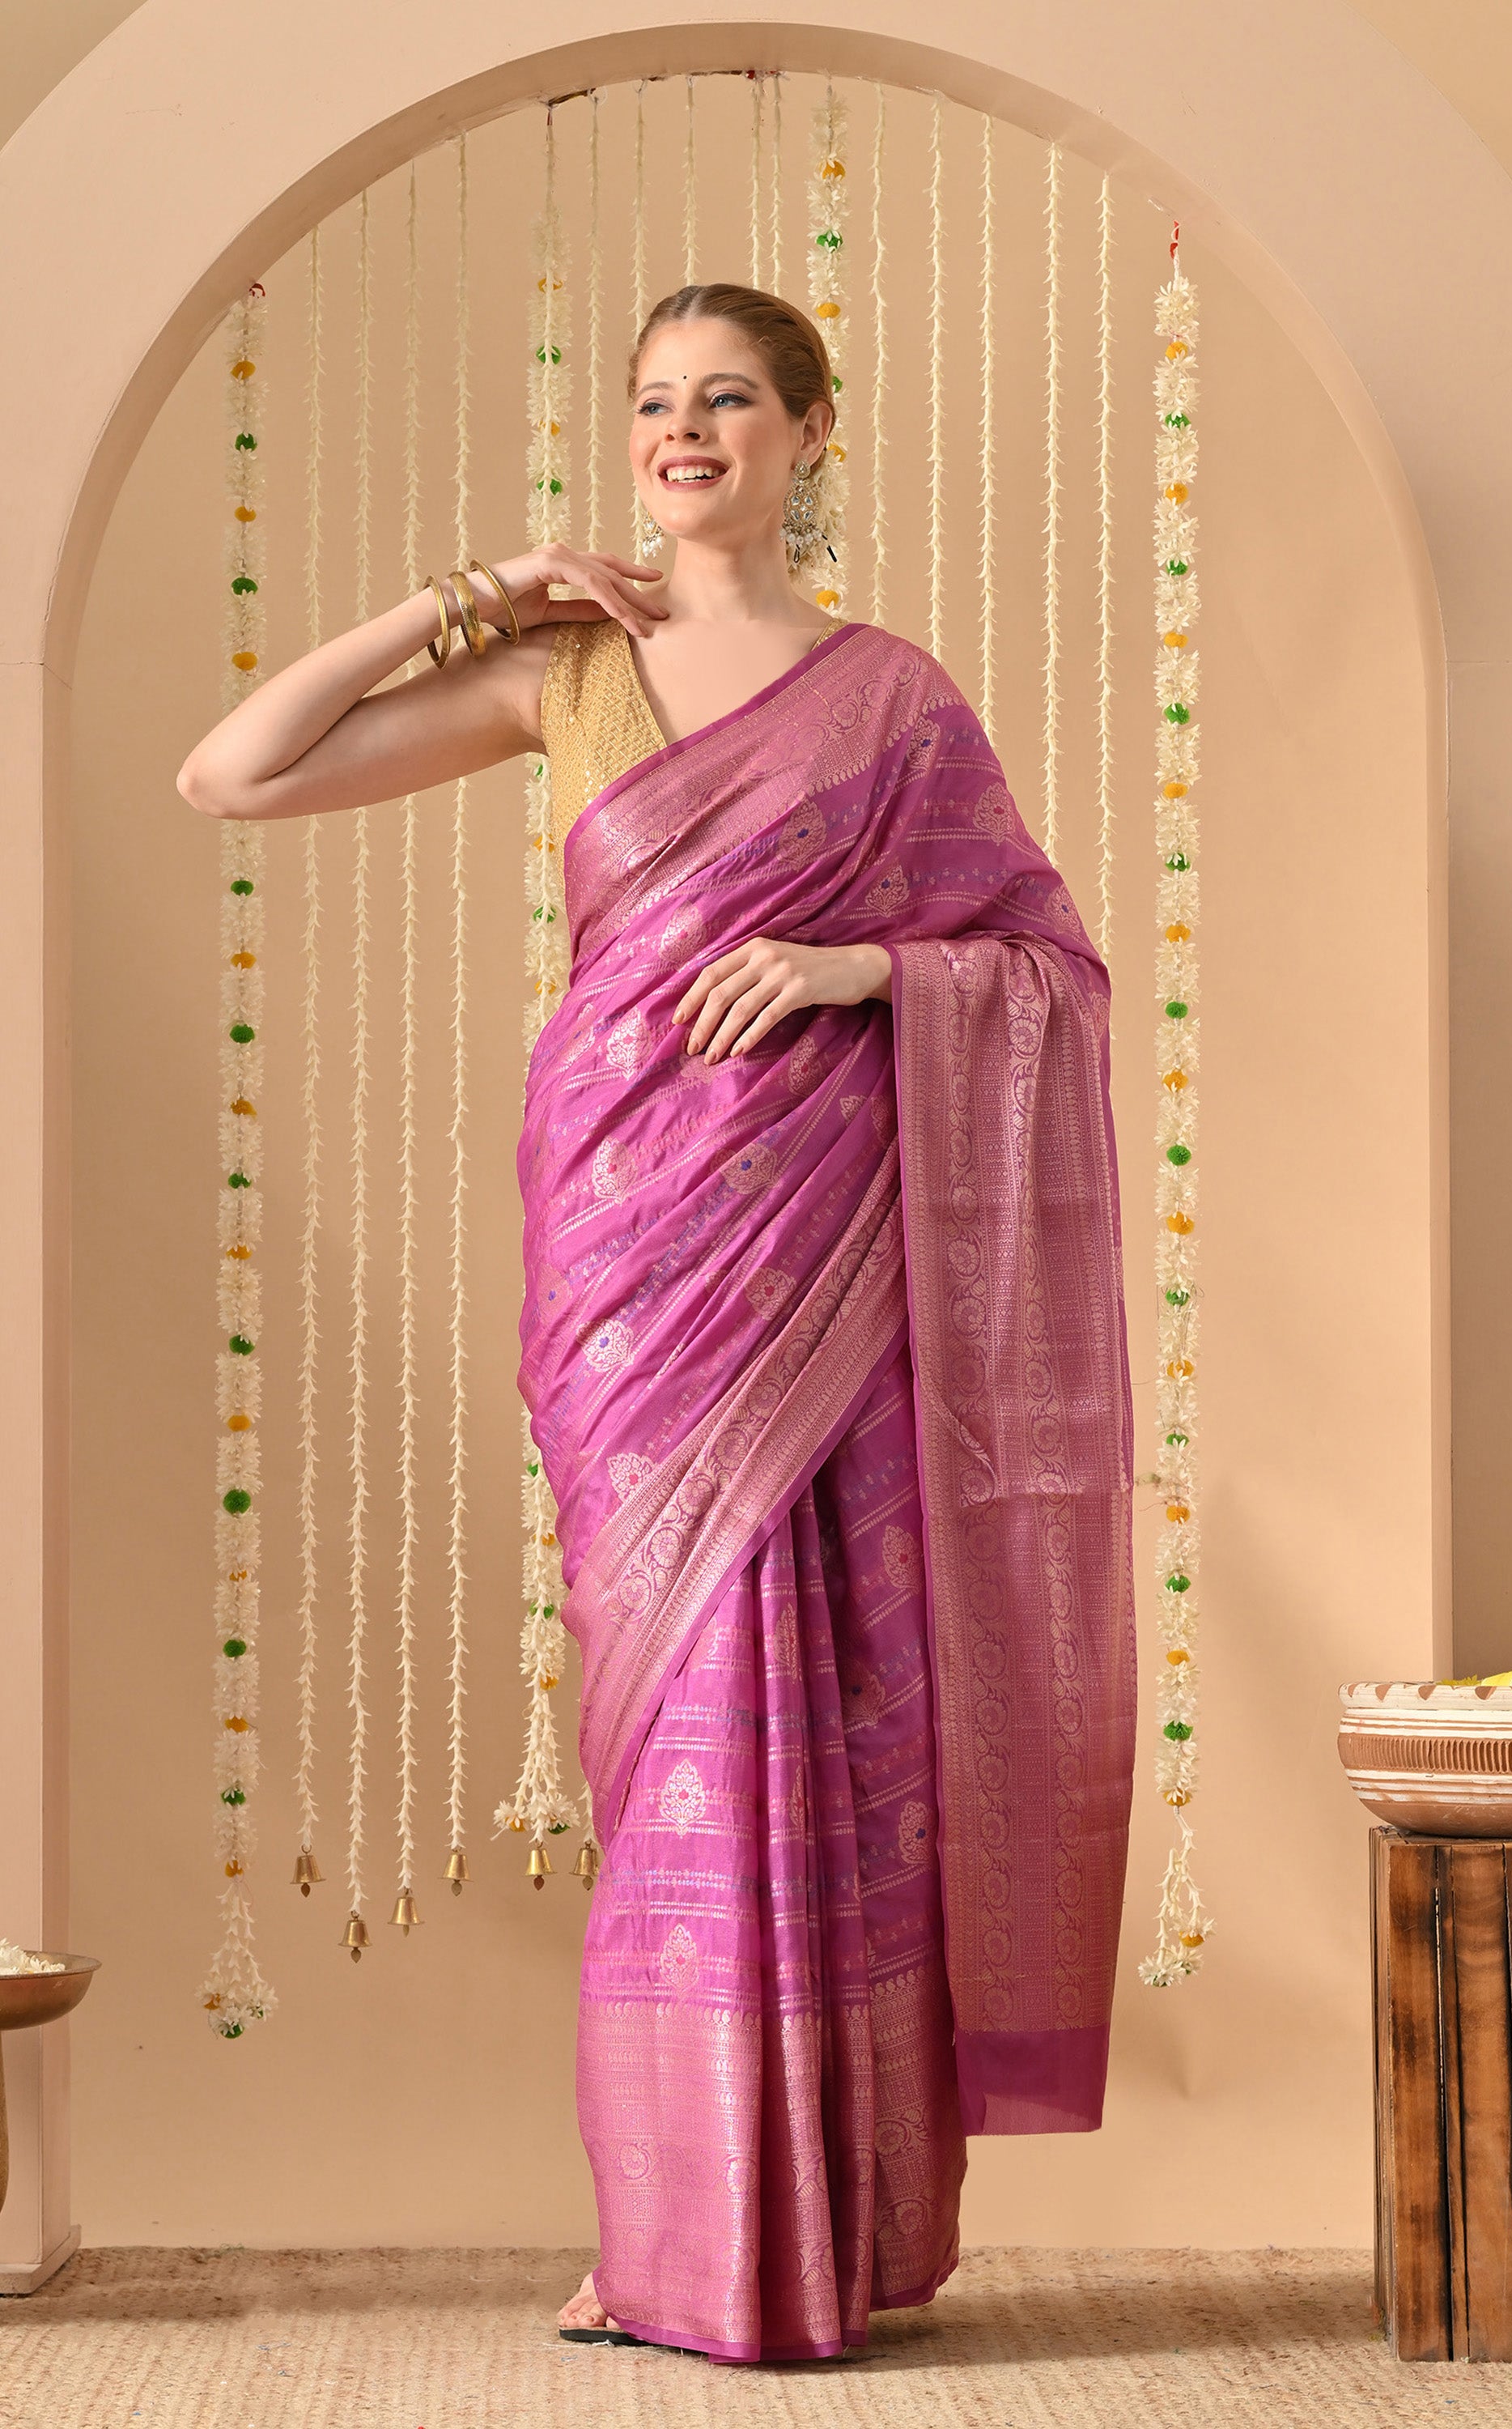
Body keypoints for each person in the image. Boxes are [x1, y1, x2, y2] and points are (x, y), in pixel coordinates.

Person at [178, 281, 1137, 2365]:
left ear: (809, 434)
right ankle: (688, 2237)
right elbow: (232, 775)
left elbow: (1046, 966)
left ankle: (829, 2228)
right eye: (650, 406)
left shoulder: (893, 698)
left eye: (726, 401)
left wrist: (859, 974)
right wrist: (471, 591)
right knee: (677, 1717)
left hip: (835, 1241)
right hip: (630, 1248)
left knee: (842, 1697)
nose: (683, 433)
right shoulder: (567, 668)